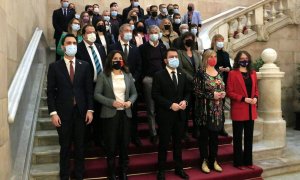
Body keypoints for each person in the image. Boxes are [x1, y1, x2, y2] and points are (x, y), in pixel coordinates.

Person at [47, 34, 94, 180]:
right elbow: (50, 92)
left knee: (80, 147)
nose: (72, 45)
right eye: (69, 43)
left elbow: (88, 90)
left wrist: (90, 110)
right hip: (63, 113)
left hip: (81, 113)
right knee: (65, 147)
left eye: (74, 42)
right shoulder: (54, 66)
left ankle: (79, 175)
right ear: (63, 46)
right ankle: (65, 175)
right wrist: (53, 113)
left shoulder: (84, 65)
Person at [94, 50, 138, 180]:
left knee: (124, 144)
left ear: (123, 60)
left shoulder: (128, 75)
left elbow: (134, 93)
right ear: (110, 60)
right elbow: (96, 94)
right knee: (111, 145)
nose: (117, 60)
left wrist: (130, 101)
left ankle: (123, 172)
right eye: (115, 58)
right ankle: (112, 172)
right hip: (110, 114)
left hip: (125, 114)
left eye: (120, 58)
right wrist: (112, 102)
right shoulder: (103, 75)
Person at [152, 48, 190, 180]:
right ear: (165, 60)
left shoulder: (182, 74)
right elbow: (155, 95)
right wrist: (169, 104)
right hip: (165, 116)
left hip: (180, 116)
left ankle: (179, 168)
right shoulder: (159, 75)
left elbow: (187, 92)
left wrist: (185, 101)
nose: (174, 59)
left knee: (178, 144)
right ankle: (161, 170)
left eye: (176, 57)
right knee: (163, 144)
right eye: (171, 57)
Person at [108, 24, 143, 147]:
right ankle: (119, 138)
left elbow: (139, 66)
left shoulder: (135, 48)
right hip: (117, 85)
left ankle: (134, 136)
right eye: (127, 31)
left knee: (133, 113)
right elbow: (109, 65)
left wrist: (133, 78)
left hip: (132, 85)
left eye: (131, 31)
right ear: (121, 33)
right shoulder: (113, 47)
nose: (129, 33)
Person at [193, 50, 225, 174]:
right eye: (210, 57)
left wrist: (223, 93)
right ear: (205, 58)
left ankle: (213, 160)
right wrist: (212, 95)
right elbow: (196, 91)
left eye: (215, 56)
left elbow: (222, 86)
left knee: (214, 138)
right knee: (204, 138)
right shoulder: (200, 73)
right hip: (204, 111)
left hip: (217, 112)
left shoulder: (219, 73)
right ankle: (204, 161)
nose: (213, 58)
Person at [226, 50, 258, 170]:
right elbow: (229, 92)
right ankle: (238, 162)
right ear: (238, 60)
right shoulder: (232, 73)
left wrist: (255, 98)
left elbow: (256, 90)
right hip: (239, 109)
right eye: (242, 58)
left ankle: (248, 161)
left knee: (249, 137)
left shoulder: (253, 73)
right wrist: (244, 99)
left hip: (251, 110)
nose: (245, 60)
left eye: (246, 58)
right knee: (238, 137)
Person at [76, 25, 107, 147]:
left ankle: (99, 138)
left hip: (100, 86)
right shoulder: (78, 48)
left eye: (93, 32)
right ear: (83, 34)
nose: (92, 34)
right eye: (89, 32)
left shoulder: (99, 47)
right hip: (85, 87)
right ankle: (87, 140)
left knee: (100, 113)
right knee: (87, 113)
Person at [139, 25, 167, 145]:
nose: (155, 34)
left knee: (162, 107)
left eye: (157, 32)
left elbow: (165, 62)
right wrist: (143, 78)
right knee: (151, 108)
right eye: (153, 32)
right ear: (148, 34)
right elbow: (140, 65)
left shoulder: (162, 46)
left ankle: (163, 132)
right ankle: (153, 133)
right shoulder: (142, 48)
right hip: (149, 79)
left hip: (161, 80)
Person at [178, 32, 202, 139]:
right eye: (187, 38)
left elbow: (201, 67)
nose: (189, 39)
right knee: (186, 109)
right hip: (186, 84)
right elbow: (180, 68)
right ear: (183, 40)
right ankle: (184, 131)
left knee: (197, 109)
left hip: (197, 85)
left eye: (191, 38)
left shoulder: (196, 53)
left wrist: (199, 78)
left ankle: (196, 130)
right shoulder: (179, 53)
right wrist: (192, 78)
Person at [211, 34, 232, 136]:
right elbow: (206, 66)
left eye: (222, 40)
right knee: (212, 106)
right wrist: (216, 69)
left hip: (223, 82)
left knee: (221, 107)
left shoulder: (225, 54)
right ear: (214, 41)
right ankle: (212, 127)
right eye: (219, 40)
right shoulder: (209, 52)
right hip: (212, 83)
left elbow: (229, 66)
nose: (221, 42)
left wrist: (227, 69)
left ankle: (221, 127)